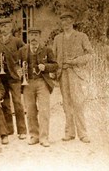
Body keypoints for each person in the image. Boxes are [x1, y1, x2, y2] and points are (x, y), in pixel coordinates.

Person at [53, 12, 93, 143]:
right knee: (66, 104)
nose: (65, 23)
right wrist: (53, 70)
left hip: (76, 73)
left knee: (78, 103)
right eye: (62, 20)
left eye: (67, 20)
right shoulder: (57, 38)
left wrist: (75, 61)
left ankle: (83, 133)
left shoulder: (81, 36)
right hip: (62, 74)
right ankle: (69, 133)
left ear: (72, 21)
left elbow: (90, 55)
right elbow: (53, 57)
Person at [18, 27, 58, 147]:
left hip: (42, 82)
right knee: (30, 111)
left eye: (36, 35)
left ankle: (44, 137)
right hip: (28, 83)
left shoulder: (47, 50)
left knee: (44, 110)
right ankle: (34, 136)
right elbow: (16, 64)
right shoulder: (22, 50)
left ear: (40, 37)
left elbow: (55, 65)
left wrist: (45, 67)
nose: (34, 38)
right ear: (28, 37)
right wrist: (18, 70)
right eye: (32, 35)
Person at [0, 17, 27, 142]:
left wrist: (21, 68)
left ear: (10, 28)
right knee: (5, 104)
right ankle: (9, 129)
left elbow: (26, 54)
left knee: (17, 103)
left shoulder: (17, 41)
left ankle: (22, 131)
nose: (4, 29)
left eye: (6, 26)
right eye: (2, 26)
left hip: (14, 76)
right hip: (1, 77)